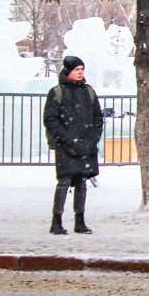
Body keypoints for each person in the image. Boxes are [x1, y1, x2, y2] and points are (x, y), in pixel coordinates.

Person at [42, 55, 106, 235]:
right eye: (77, 70)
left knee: (82, 183)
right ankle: (57, 221)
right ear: (68, 71)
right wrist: (66, 138)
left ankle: (80, 221)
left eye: (82, 70)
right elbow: (50, 119)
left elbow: (97, 117)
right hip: (66, 146)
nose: (80, 73)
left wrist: (93, 137)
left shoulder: (88, 91)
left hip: (85, 144)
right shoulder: (57, 92)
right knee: (64, 182)